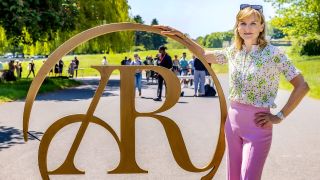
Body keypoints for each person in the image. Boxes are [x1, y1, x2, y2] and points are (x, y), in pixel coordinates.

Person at [155, 4, 309, 180]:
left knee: (248, 177)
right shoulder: (233, 52)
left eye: (253, 23)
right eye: (243, 23)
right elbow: (204, 54)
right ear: (237, 27)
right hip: (233, 124)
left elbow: (302, 86)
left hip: (258, 126)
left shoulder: (274, 54)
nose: (247, 28)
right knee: (233, 177)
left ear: (261, 26)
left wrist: (279, 116)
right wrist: (180, 35)